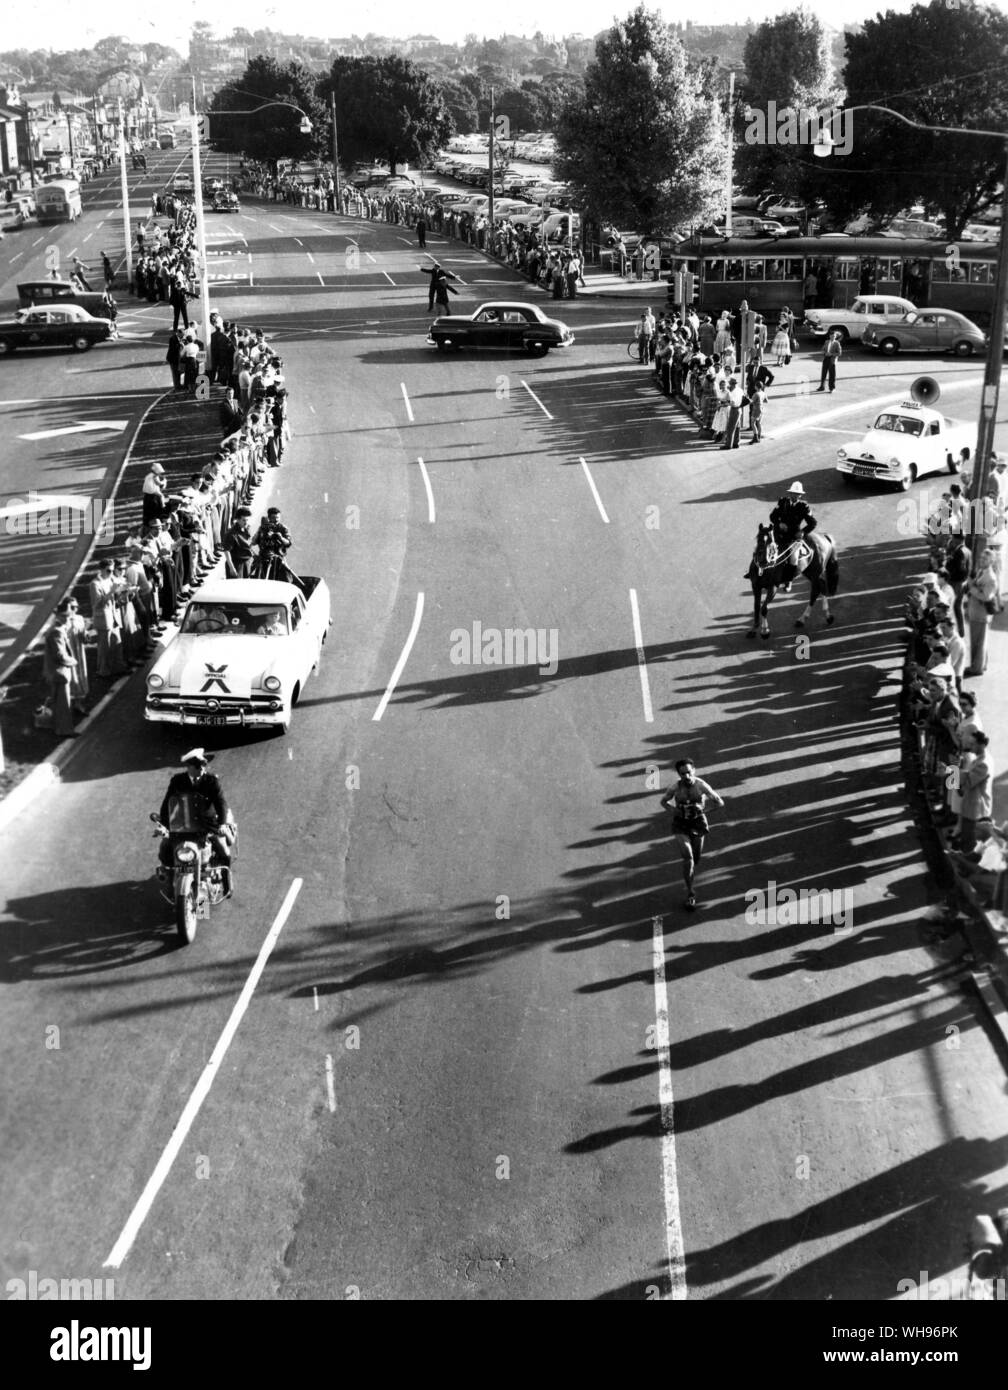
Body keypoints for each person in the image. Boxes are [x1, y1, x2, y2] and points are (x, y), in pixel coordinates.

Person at [157, 749, 234, 894]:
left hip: (208, 826)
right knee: (165, 847)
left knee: (224, 850)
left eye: (204, 766)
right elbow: (167, 804)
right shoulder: (177, 781)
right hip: (183, 824)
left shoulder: (212, 781)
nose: (202, 769)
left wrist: (222, 825)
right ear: (189, 767)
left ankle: (226, 882)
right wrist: (164, 827)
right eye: (198, 767)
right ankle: (168, 876)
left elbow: (221, 803)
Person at [661, 758, 726, 909]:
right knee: (688, 858)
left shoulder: (701, 785)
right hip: (680, 824)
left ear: (694, 770)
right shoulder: (675, 788)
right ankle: (690, 893)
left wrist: (703, 811)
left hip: (697, 822)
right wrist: (675, 811)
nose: (687, 776)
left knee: (695, 858)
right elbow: (663, 802)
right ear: (679, 774)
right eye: (683, 774)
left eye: (689, 772)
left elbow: (719, 802)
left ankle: (690, 879)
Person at [769, 481, 818, 591]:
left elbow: (813, 523)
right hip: (779, 534)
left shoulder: (804, 506)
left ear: (800, 495)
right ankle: (756, 570)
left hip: (792, 537)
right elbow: (772, 516)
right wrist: (779, 523)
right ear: (790, 493)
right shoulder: (782, 501)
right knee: (764, 547)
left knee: (794, 558)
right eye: (793, 493)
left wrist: (803, 532)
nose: (795, 496)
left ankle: (789, 581)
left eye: (797, 494)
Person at [42, 604, 78, 737]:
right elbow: (60, 655)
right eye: (65, 616)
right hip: (60, 672)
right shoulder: (57, 631)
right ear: (58, 616)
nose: (68, 618)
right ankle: (64, 730)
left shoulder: (57, 628)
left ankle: (58, 727)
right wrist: (74, 661)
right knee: (63, 703)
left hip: (55, 672)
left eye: (68, 616)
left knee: (58, 701)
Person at [965, 548, 1000, 675]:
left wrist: (971, 587)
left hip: (981, 613)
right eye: (981, 558)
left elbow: (987, 596)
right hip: (976, 611)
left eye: (985, 559)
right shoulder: (982, 571)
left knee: (978, 643)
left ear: (991, 561)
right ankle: (981, 665)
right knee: (979, 641)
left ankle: (976, 668)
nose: (981, 560)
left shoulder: (990, 577)